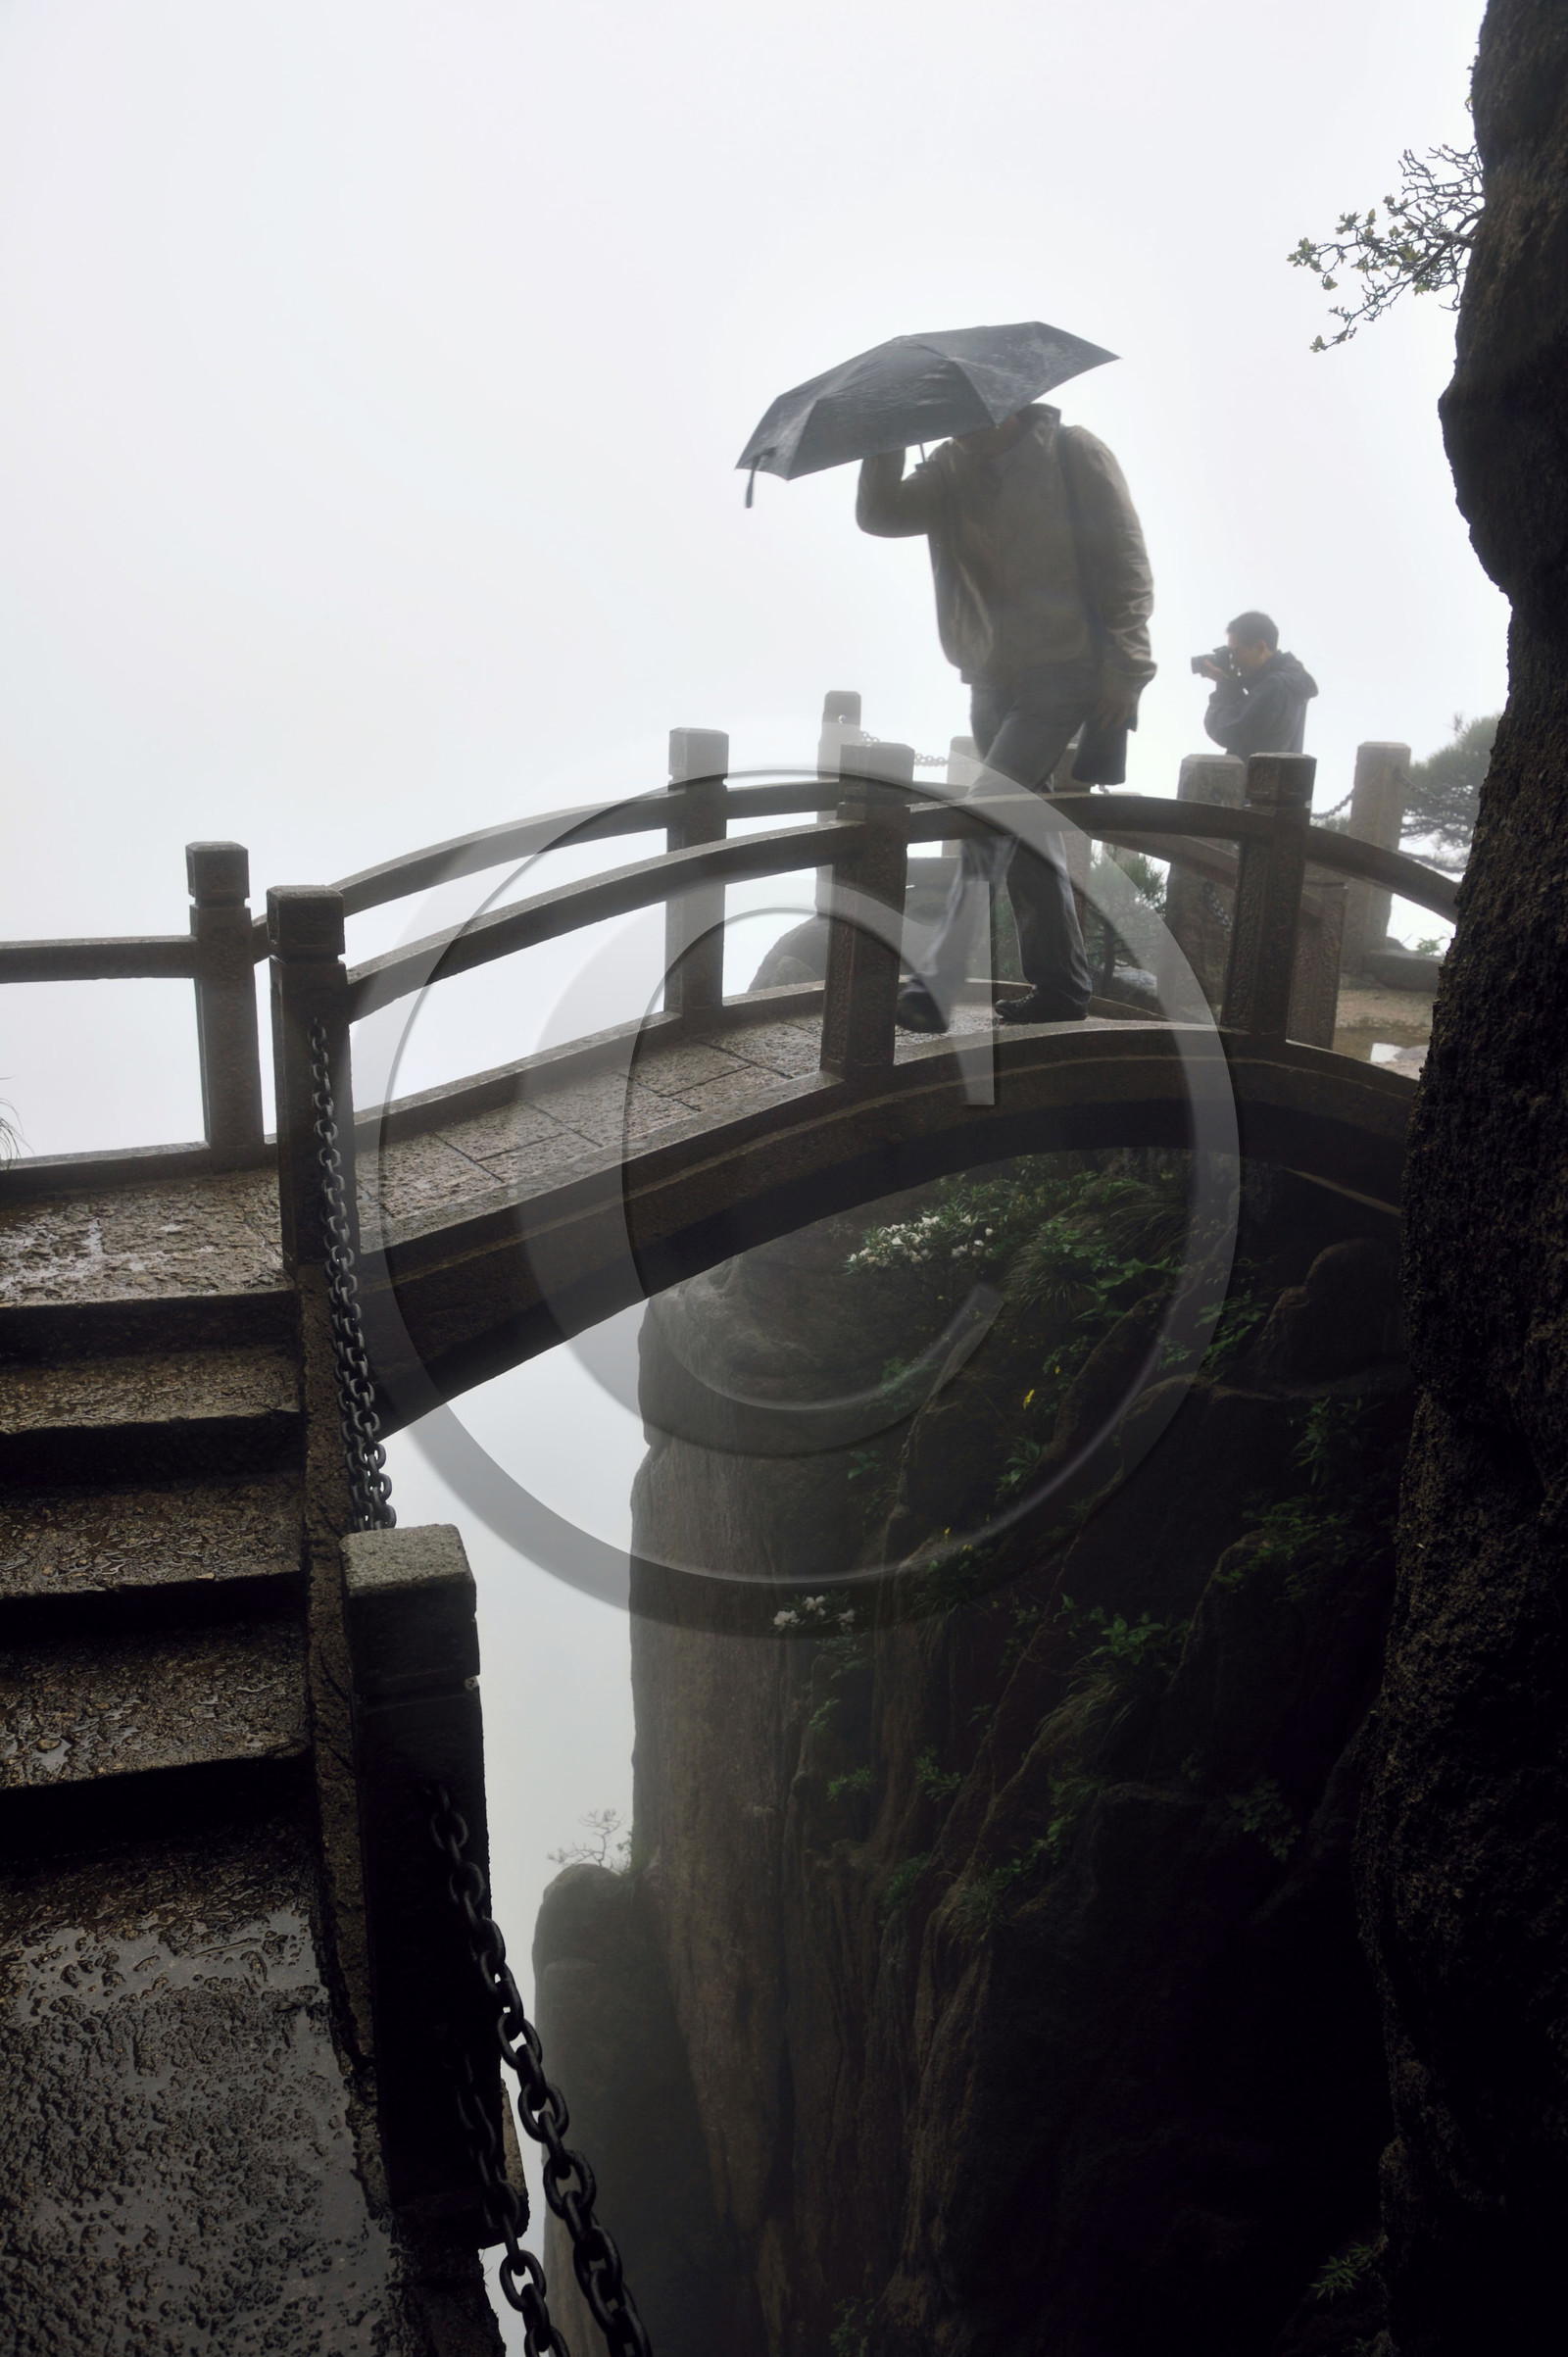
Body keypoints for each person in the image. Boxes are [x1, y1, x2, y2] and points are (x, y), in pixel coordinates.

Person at [856, 404, 1154, 1031]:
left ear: (1009, 406)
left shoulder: (1073, 452)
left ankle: (937, 981)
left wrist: (1128, 669)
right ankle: (1062, 988)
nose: (957, 427)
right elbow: (881, 515)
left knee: (986, 812)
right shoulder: (948, 467)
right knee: (1024, 830)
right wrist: (886, 435)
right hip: (990, 674)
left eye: (969, 415)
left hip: (1066, 669)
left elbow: (1126, 562)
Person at [1197, 613, 1317, 761]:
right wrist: (1232, 683)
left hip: (1258, 773)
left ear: (1260, 648)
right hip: (1272, 773)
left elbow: (1225, 730)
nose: (1234, 660)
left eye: (1236, 652)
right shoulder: (1291, 682)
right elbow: (1250, 724)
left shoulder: (1275, 686)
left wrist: (1224, 684)